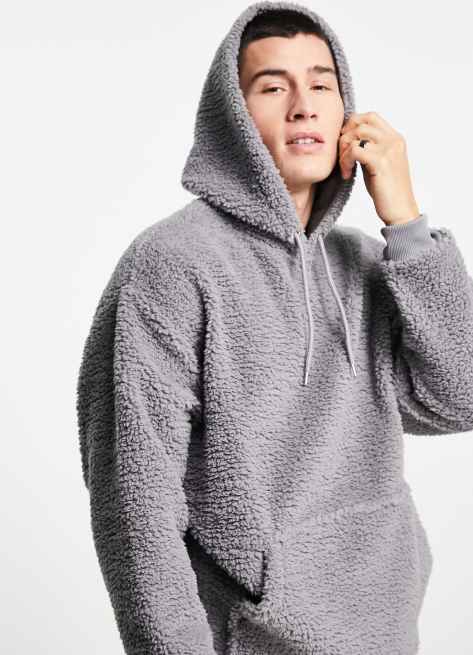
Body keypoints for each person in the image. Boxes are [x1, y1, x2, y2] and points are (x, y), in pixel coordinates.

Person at [76, 2, 473, 654]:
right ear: (231, 116)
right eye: (272, 87)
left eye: (321, 84)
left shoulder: (364, 264)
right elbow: (135, 505)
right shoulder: (170, 265)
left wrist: (405, 222)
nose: (302, 106)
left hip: (383, 632)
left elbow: (460, 397)